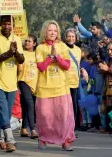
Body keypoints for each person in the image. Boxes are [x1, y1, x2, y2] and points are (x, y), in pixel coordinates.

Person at [35, 20, 75, 151]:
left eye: (55, 30)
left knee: (63, 116)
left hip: (61, 87)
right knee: (45, 116)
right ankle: (43, 138)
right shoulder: (40, 48)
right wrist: (50, 57)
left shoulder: (62, 46)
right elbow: (41, 67)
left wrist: (57, 57)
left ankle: (66, 141)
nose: (53, 33)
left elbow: (67, 66)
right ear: (45, 32)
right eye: (50, 30)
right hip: (44, 88)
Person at [0, 15, 24, 152]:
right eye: (4, 24)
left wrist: (15, 53)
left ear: (13, 26)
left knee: (6, 114)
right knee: (3, 112)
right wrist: (9, 52)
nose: (7, 26)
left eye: (10, 24)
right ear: (0, 25)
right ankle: (10, 140)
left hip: (11, 84)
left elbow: (21, 60)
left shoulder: (17, 39)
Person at [18, 34, 38, 138]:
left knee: (27, 106)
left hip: (34, 83)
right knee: (30, 105)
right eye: (26, 41)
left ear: (34, 44)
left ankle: (23, 128)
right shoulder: (21, 53)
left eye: (29, 41)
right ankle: (33, 130)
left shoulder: (37, 54)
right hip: (23, 81)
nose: (27, 43)